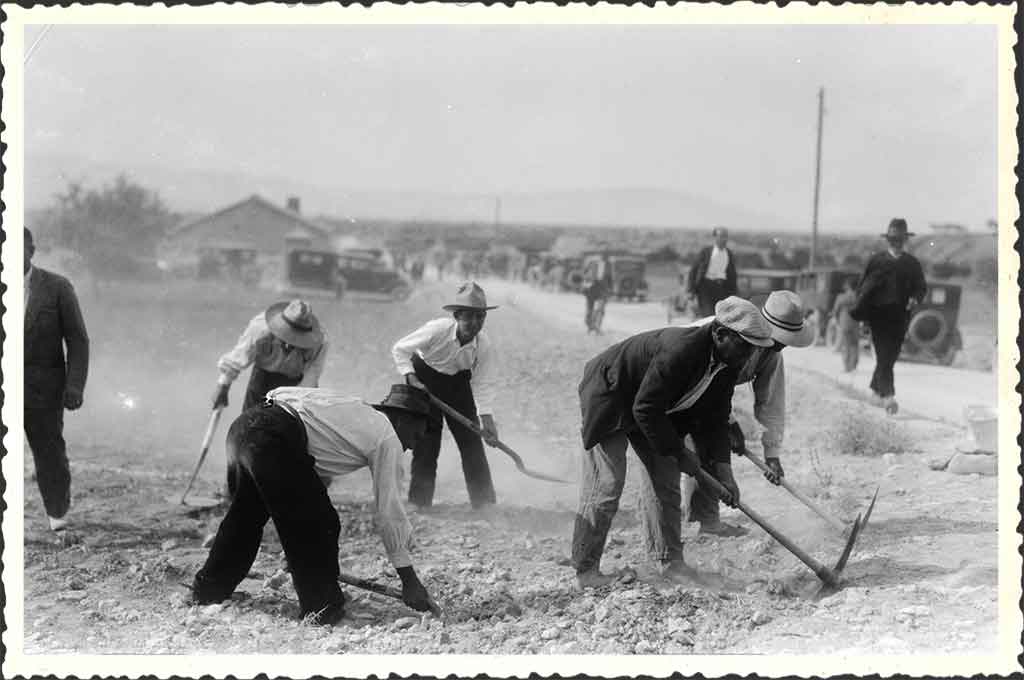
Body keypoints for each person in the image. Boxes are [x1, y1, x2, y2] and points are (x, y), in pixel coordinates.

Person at [191, 384, 437, 625]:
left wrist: (301, 555)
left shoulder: (355, 413)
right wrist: (409, 581)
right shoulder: (387, 436)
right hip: (274, 437)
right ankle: (322, 608)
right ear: (403, 419)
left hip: (245, 427)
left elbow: (308, 474)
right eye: (416, 435)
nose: (413, 446)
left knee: (246, 516)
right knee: (320, 523)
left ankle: (209, 591)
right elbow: (390, 512)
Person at [572, 297, 774, 588]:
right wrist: (681, 453)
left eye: (755, 349)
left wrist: (725, 474)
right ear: (720, 334)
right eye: (746, 345)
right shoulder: (683, 349)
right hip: (613, 397)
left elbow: (717, 420)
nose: (750, 356)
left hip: (654, 408)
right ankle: (586, 571)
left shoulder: (729, 364)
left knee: (664, 483)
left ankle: (667, 562)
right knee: (606, 485)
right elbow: (644, 408)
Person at [678, 290, 815, 537]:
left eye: (786, 341)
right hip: (682, 386)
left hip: (711, 396)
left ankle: (703, 519)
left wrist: (771, 453)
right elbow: (708, 387)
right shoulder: (724, 335)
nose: (780, 346)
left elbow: (771, 403)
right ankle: (699, 521)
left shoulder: (772, 356)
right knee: (699, 451)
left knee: (710, 448)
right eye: (779, 339)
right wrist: (730, 425)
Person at [392, 281, 500, 510]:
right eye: (469, 317)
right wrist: (411, 377)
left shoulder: (483, 345)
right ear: (457, 316)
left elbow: (482, 382)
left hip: (457, 386)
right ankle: (419, 501)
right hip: (423, 380)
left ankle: (484, 502)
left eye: (480, 317)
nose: (474, 323)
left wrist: (487, 418)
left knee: (471, 442)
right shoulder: (437, 329)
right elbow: (400, 349)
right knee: (427, 444)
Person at [212, 300, 329, 497]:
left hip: (296, 385)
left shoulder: (320, 341)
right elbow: (239, 356)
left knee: (293, 436)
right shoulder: (260, 329)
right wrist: (223, 385)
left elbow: (312, 374)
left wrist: (292, 406)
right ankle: (236, 488)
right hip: (263, 378)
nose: (291, 342)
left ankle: (293, 488)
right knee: (246, 434)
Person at [23, 228, 90, 532]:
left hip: (43, 390)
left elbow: (77, 340)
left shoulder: (57, 287)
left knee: (49, 453)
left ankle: (58, 516)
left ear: (32, 250)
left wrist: (74, 386)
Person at [851, 218, 927, 414]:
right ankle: (888, 397)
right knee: (885, 355)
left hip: (901, 317)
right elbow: (862, 289)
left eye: (899, 239)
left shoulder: (912, 263)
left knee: (890, 357)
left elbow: (921, 287)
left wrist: (915, 299)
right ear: (888, 240)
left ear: (905, 240)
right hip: (878, 317)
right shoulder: (876, 261)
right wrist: (864, 316)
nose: (896, 242)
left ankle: (875, 390)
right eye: (893, 239)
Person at [686, 227, 738, 317]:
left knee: (720, 316)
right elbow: (693, 271)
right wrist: (690, 290)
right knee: (708, 316)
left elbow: (732, 275)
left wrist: (734, 293)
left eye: (725, 236)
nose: (724, 239)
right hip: (706, 288)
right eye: (721, 236)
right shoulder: (705, 252)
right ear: (715, 238)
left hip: (722, 288)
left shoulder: (729, 253)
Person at [831, 276, 861, 373]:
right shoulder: (859, 297)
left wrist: (836, 319)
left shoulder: (841, 297)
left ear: (847, 286)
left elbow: (835, 311)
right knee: (855, 345)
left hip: (845, 324)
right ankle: (854, 366)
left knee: (846, 345)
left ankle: (847, 367)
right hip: (856, 324)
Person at [581, 257, 611, 334]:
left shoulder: (607, 265)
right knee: (592, 310)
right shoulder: (591, 263)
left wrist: (610, 289)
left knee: (599, 309)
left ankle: (596, 326)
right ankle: (591, 326)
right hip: (593, 289)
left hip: (600, 290)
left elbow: (610, 277)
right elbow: (584, 275)